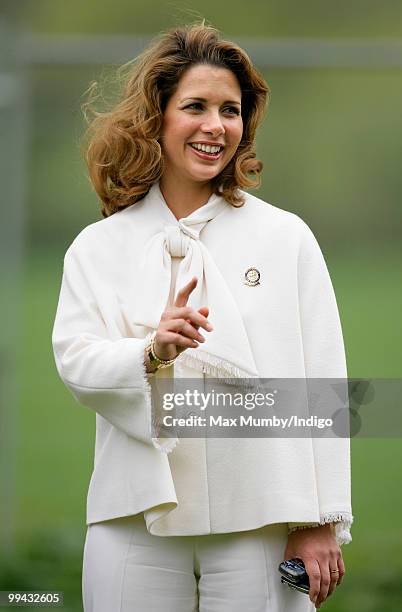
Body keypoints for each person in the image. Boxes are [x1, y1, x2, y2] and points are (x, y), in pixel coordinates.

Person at [52, 21, 353, 612]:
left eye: (231, 110)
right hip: (131, 518)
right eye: (195, 106)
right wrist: (151, 353)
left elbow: (325, 384)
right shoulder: (98, 245)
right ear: (156, 116)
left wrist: (320, 520)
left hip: (268, 522)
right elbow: (76, 361)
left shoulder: (286, 237)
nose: (216, 126)